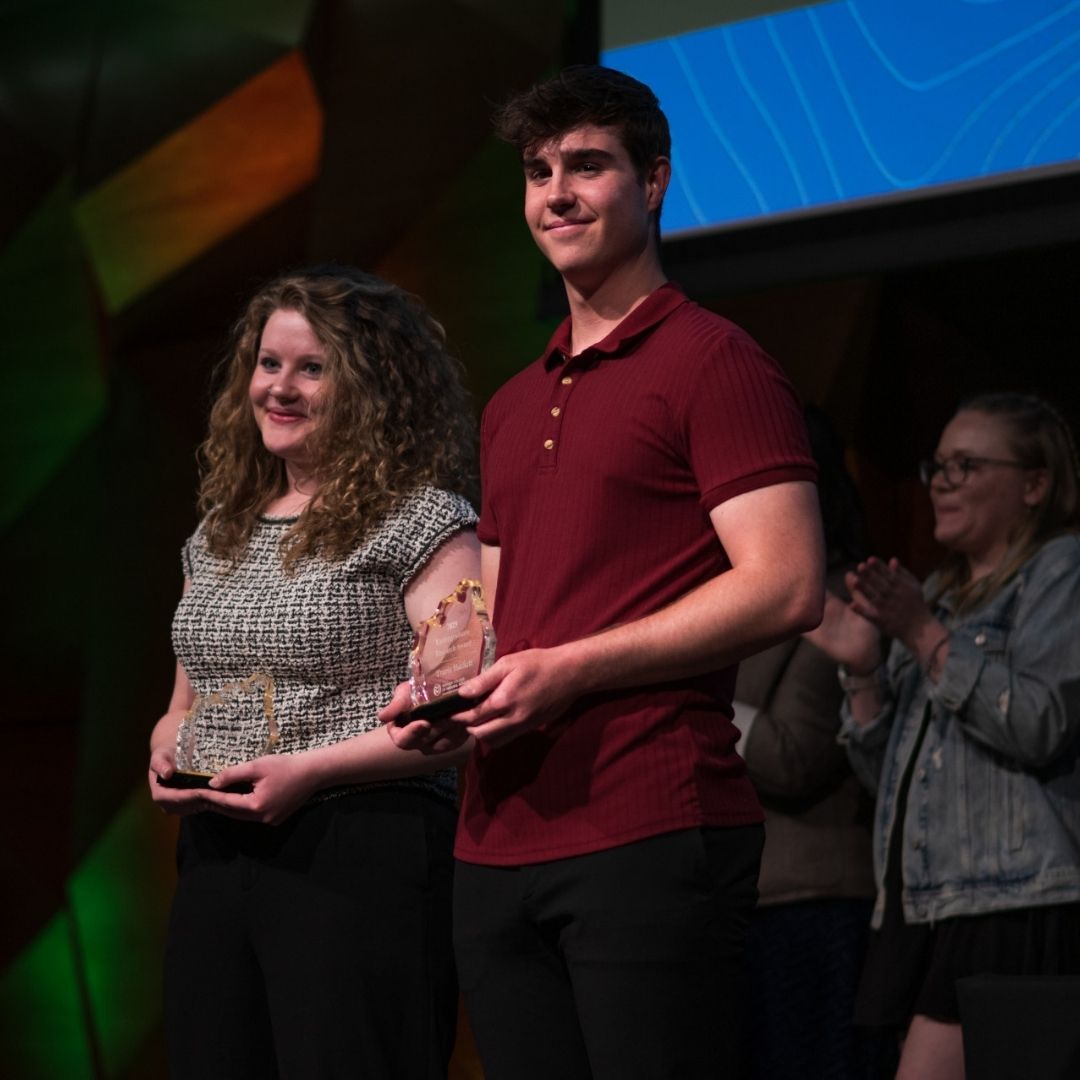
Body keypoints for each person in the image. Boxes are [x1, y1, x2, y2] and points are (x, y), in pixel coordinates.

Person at [385, 65, 824, 1079]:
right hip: (495, 842)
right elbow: (502, 617)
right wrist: (447, 692)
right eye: (538, 171)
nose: (557, 193)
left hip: (650, 821)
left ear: (654, 181)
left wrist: (575, 667)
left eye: (586, 165)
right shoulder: (509, 404)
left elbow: (787, 584)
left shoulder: (715, 362)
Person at [147, 266, 480, 1079]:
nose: (280, 388)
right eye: (269, 364)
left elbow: (459, 711)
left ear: (371, 388)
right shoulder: (218, 533)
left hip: (359, 849)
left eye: (312, 369)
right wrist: (165, 748)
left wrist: (311, 770)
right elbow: (183, 700)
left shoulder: (424, 521)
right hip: (216, 853)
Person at [809, 392, 1080, 1080]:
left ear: (1035, 484)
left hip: (1014, 902)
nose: (941, 482)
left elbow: (1039, 723)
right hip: (931, 904)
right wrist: (863, 670)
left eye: (966, 465)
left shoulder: (1059, 571)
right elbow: (889, 783)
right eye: (938, 466)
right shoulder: (936, 594)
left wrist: (923, 635)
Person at [733, 407, 885, 1080]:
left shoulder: (840, 596)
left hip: (812, 902)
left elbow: (796, 756)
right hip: (740, 898)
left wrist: (689, 698)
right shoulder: (735, 594)